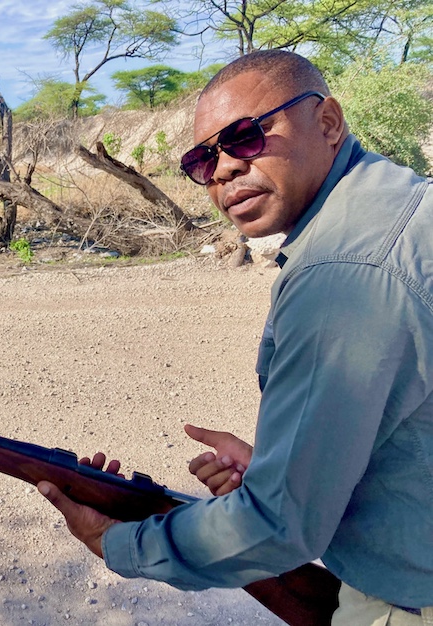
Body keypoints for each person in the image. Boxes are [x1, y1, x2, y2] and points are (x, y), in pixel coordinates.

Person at [38, 49, 433, 625]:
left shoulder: (345, 272)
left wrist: (118, 542)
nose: (222, 169)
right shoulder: (405, 206)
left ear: (328, 122)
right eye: (202, 160)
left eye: (245, 137)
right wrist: (285, 462)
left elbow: (279, 523)